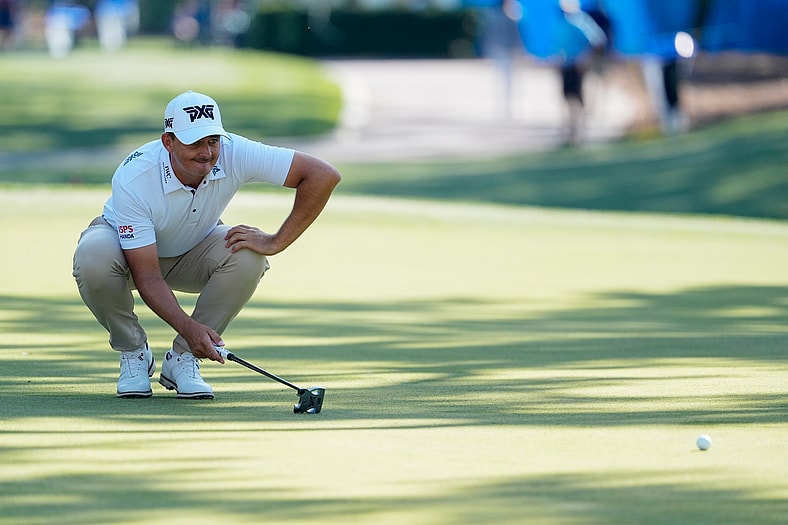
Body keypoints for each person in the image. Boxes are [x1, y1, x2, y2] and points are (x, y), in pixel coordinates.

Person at [72, 91, 341, 399]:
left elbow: (323, 175)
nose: (206, 152)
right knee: (93, 256)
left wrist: (276, 241)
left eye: (212, 140)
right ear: (168, 142)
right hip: (125, 255)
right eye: (194, 142)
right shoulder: (135, 177)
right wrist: (188, 325)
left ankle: (183, 359)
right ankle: (133, 351)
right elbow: (147, 276)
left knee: (249, 257)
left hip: (193, 250)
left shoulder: (233, 151)